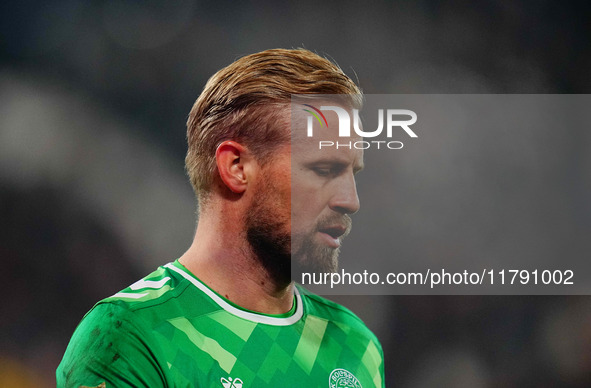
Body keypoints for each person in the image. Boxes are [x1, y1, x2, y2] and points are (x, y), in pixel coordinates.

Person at [57, 48, 385, 388]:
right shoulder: (132, 338)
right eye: (323, 169)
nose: (351, 201)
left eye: (352, 173)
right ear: (236, 168)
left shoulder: (356, 346)